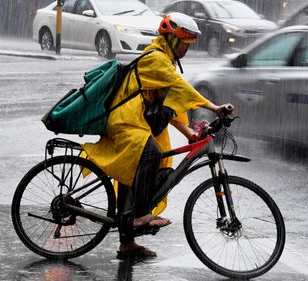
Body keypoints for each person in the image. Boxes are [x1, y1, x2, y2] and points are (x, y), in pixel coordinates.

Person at [81, 12, 232, 259]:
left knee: (137, 177)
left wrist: (189, 133)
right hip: (125, 120)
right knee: (150, 153)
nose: (186, 48)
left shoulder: (165, 61)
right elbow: (180, 88)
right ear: (172, 39)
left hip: (139, 121)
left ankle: (127, 243)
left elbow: (169, 105)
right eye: (184, 43)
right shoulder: (156, 59)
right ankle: (140, 215)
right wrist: (213, 107)